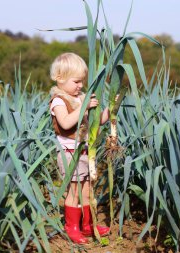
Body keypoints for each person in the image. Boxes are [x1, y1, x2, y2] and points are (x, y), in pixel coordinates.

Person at [49, 52, 110, 244]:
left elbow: (98, 121)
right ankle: (72, 228)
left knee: (86, 191)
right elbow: (66, 123)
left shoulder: (81, 98)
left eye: (82, 81)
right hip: (69, 154)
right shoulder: (59, 101)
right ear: (60, 78)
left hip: (84, 153)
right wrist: (84, 106)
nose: (80, 86)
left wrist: (112, 108)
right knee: (73, 192)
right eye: (76, 81)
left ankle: (87, 225)